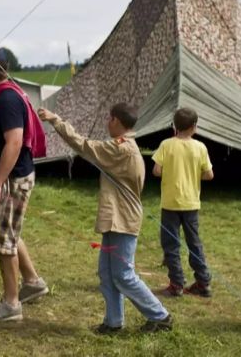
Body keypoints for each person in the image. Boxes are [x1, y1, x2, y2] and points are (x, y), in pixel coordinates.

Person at [39, 103, 172, 334]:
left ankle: (160, 315)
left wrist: (55, 120)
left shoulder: (121, 148)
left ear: (117, 122)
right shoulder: (124, 146)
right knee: (108, 273)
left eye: (109, 118)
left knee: (123, 275)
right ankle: (113, 322)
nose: (107, 122)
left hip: (123, 220)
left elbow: (83, 145)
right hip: (116, 219)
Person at [0, 48, 48, 321]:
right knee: (10, 231)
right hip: (14, 176)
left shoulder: (6, 100)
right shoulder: (7, 93)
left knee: (4, 241)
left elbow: (15, 142)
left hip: (12, 179)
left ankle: (11, 305)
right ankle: (32, 282)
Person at [152, 107, 213, 299]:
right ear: (194, 126)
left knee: (171, 244)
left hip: (170, 203)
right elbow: (209, 174)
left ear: (174, 126)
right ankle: (203, 282)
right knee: (194, 243)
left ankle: (177, 283)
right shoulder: (200, 147)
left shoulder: (166, 145)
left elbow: (156, 171)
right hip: (191, 204)